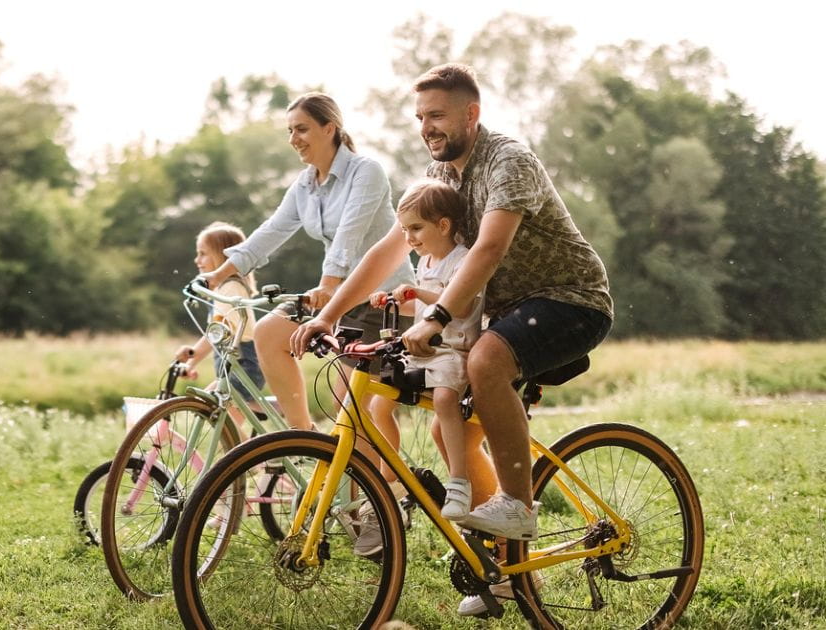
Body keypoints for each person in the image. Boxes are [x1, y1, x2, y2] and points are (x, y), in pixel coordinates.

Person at [290, 63, 612, 615]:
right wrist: (330, 314)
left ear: (471, 114)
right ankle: (503, 571)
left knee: (486, 361)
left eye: (436, 115)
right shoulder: (441, 178)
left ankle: (519, 506)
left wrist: (435, 317)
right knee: (452, 430)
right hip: (505, 310)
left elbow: (487, 249)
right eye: (420, 117)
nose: (427, 127)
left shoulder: (508, 162)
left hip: (570, 300)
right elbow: (391, 250)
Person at [203, 93, 415, 445]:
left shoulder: (366, 172)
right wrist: (220, 272)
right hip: (337, 296)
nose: (293, 139)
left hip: (383, 300)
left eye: (301, 129)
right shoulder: (305, 185)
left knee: (348, 406)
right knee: (270, 332)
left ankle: (377, 492)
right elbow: (272, 230)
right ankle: (305, 439)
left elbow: (349, 233)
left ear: (329, 128)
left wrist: (329, 283)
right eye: (290, 130)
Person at [368, 178, 486, 521]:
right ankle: (389, 478)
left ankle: (459, 482)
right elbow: (421, 313)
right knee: (379, 400)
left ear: (443, 225)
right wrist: (394, 299)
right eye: (405, 230)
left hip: (454, 350)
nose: (409, 238)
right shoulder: (427, 263)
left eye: (416, 228)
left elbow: (460, 308)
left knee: (446, 401)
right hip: (423, 348)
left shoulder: (462, 260)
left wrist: (417, 293)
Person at [174, 222, 264, 421]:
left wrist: (192, 359)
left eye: (203, 253)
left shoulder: (231, 288)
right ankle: (244, 451)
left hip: (243, 367)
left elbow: (219, 333)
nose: (197, 260)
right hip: (236, 367)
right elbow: (216, 334)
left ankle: (245, 453)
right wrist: (192, 357)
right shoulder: (223, 289)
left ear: (223, 256)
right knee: (224, 425)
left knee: (216, 416)